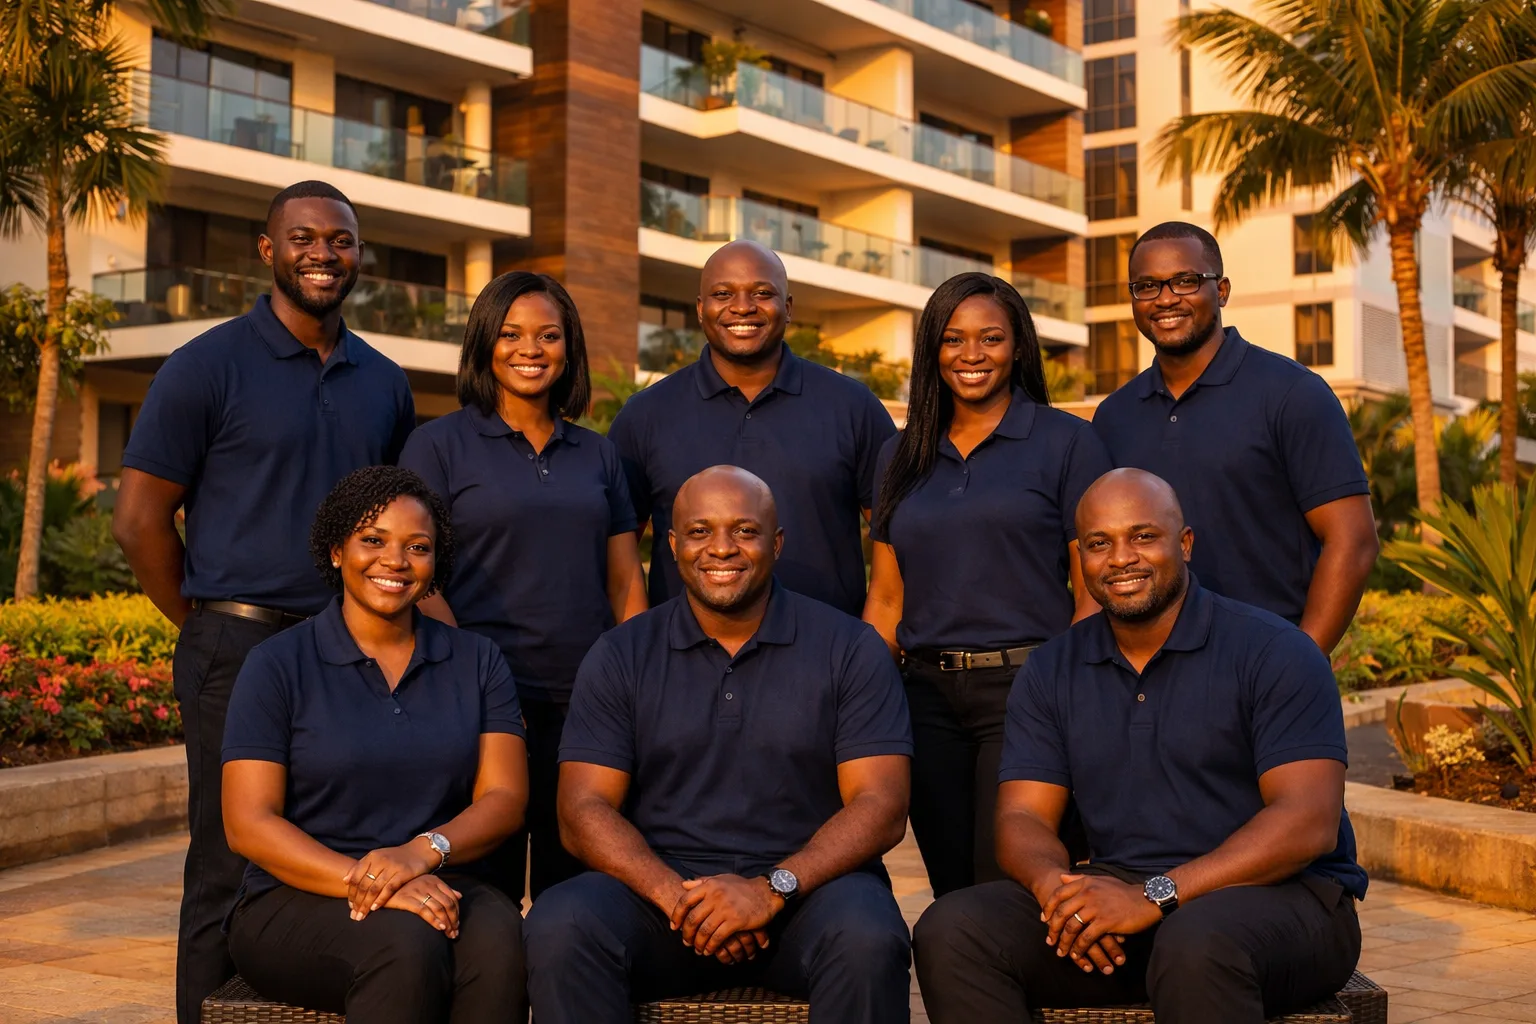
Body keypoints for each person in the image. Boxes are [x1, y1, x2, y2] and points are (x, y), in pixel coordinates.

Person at [111, 180, 416, 1023]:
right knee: (225, 859)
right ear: (268, 249)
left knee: (342, 844)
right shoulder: (205, 366)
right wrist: (206, 624)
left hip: (349, 650)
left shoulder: (383, 382)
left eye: (342, 240)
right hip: (237, 647)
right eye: (306, 238)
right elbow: (140, 523)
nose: (324, 253)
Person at [912, 468, 1365, 1024]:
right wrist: (1058, 892)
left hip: (1284, 903)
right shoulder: (1053, 668)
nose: (1121, 558)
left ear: (1186, 543)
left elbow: (1306, 823)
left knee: (1196, 944)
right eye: (1099, 543)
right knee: (953, 931)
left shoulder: (1275, 651)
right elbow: (1023, 816)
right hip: (1123, 900)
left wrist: (1153, 896)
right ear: (1081, 558)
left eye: (1143, 536)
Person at [524, 466, 913, 1024]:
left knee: (869, 935)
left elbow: (881, 807)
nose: (722, 548)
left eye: (745, 531)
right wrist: (681, 900)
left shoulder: (850, 648)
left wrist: (769, 891)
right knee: (561, 925)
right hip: (659, 897)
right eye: (701, 531)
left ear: (776, 544)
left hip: (808, 893)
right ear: (673, 544)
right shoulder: (620, 654)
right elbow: (581, 808)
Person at [222, 466, 528, 1024]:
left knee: (501, 940)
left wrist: (420, 854)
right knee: (404, 945)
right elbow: (248, 822)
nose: (396, 561)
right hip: (295, 895)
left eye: (418, 547)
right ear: (337, 551)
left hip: (439, 877)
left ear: (436, 564)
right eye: (373, 540)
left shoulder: (477, 660)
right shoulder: (276, 665)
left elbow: (504, 798)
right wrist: (370, 882)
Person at [399, 271, 646, 902]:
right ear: (485, 343)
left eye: (548, 335)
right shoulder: (436, 445)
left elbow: (624, 579)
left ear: (570, 349)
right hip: (482, 703)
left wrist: (632, 676)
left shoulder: (599, 456)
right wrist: (465, 668)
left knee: (578, 890)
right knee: (484, 890)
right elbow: (415, 572)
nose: (529, 349)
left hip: (585, 703)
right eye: (510, 334)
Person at [863, 272, 1110, 898]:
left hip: (1025, 690)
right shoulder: (901, 455)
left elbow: (1091, 594)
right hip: (922, 701)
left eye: (991, 338)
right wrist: (856, 696)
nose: (971, 355)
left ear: (1019, 347)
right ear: (932, 351)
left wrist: (1070, 691)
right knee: (951, 888)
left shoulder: (1068, 444)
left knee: (1005, 884)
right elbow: (888, 598)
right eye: (953, 340)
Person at [1091, 221, 1377, 654]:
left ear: (1221, 291)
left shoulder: (1292, 393)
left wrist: (1299, 663)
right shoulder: (1114, 416)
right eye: (1146, 286)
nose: (1165, 298)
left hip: (1263, 661)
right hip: (1147, 672)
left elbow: (1353, 542)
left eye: (1185, 281)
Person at [608, 240, 896, 617]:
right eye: (723, 293)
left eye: (762, 293)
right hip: (685, 663)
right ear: (700, 308)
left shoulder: (853, 407)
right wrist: (640, 653)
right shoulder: (645, 415)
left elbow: (896, 546)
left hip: (825, 662)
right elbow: (620, 561)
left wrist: (871, 653)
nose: (742, 307)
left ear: (788, 308)